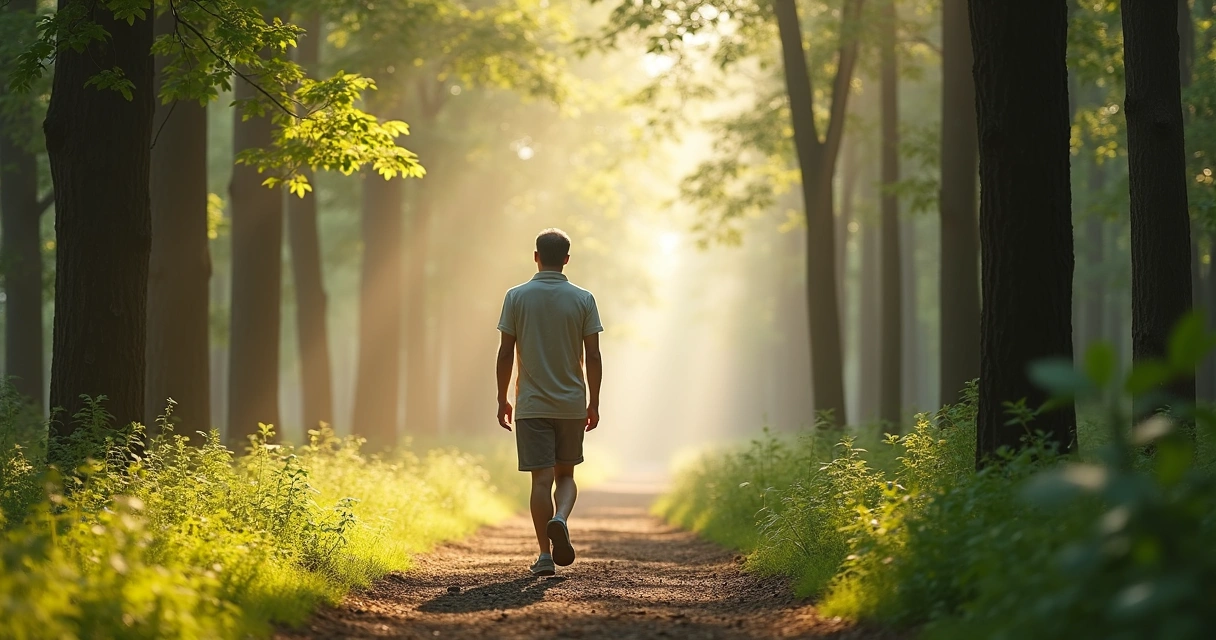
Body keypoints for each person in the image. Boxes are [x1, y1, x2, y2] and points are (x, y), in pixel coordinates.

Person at [496, 228, 603, 577]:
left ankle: (544, 556)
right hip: (571, 403)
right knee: (566, 474)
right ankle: (560, 518)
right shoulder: (584, 299)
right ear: (567, 260)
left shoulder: (516, 297)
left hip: (531, 404)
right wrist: (594, 402)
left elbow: (505, 352)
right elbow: (594, 355)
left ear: (536, 256)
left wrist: (502, 398)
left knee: (540, 481)